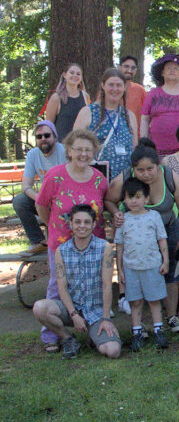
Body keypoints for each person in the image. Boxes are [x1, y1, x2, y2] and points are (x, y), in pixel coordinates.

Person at [106, 139, 179, 333]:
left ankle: (171, 316)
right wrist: (116, 213)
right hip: (137, 232)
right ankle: (142, 322)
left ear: (158, 166)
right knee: (137, 273)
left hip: (168, 228)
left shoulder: (172, 178)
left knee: (171, 273)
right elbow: (109, 200)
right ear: (133, 169)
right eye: (141, 170)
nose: (146, 174)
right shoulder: (123, 179)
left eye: (150, 169)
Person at [35, 129, 109, 351]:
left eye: (88, 150)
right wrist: (53, 227)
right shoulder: (55, 176)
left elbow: (103, 205)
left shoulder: (99, 179)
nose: (83, 154)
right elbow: (41, 205)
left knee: (93, 285)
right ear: (69, 151)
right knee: (57, 287)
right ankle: (52, 335)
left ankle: (94, 325)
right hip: (61, 243)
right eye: (79, 149)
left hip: (92, 243)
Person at [32, 204, 121, 359]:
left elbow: (107, 286)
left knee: (113, 351)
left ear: (93, 224)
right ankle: (68, 339)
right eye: (77, 222)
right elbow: (62, 288)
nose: (82, 226)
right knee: (40, 308)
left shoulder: (104, 247)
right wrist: (74, 315)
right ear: (71, 224)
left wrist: (106, 319)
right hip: (72, 308)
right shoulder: (62, 250)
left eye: (87, 222)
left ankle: (94, 337)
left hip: (96, 311)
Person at [115, 178, 169, 351]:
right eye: (130, 197)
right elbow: (119, 246)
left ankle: (158, 330)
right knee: (135, 302)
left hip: (153, 266)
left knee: (154, 300)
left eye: (138, 197)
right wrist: (120, 270)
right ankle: (137, 332)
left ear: (146, 198)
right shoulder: (123, 219)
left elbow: (162, 240)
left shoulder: (154, 217)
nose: (134, 201)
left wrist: (165, 260)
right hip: (131, 268)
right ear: (124, 199)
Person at [73, 68, 138, 181]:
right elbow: (74, 147)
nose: (115, 89)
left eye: (118, 85)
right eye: (111, 85)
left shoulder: (129, 116)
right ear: (103, 85)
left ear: (124, 87)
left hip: (125, 179)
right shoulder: (88, 112)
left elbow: (134, 147)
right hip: (95, 178)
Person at [15, 121, 65, 256]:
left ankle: (61, 239)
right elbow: (25, 186)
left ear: (55, 137)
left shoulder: (65, 151)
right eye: (39, 136)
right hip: (45, 199)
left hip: (65, 198)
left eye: (47, 135)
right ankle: (39, 241)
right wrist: (39, 198)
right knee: (20, 201)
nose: (43, 139)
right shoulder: (32, 155)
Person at [141, 53, 179, 156]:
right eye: (168, 68)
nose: (172, 70)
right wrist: (144, 142)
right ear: (162, 73)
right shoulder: (153, 94)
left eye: (176, 68)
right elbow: (145, 119)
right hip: (157, 150)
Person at [45, 63, 90, 141]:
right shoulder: (56, 98)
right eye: (72, 73)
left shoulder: (85, 96)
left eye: (78, 74)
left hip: (80, 146)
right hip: (62, 146)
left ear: (81, 78)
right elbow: (49, 126)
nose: (75, 76)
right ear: (65, 75)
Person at [119, 55, 147, 124]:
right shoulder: (110, 88)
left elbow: (147, 114)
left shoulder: (140, 90)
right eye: (126, 66)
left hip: (135, 133)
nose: (129, 70)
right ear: (119, 67)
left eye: (133, 68)